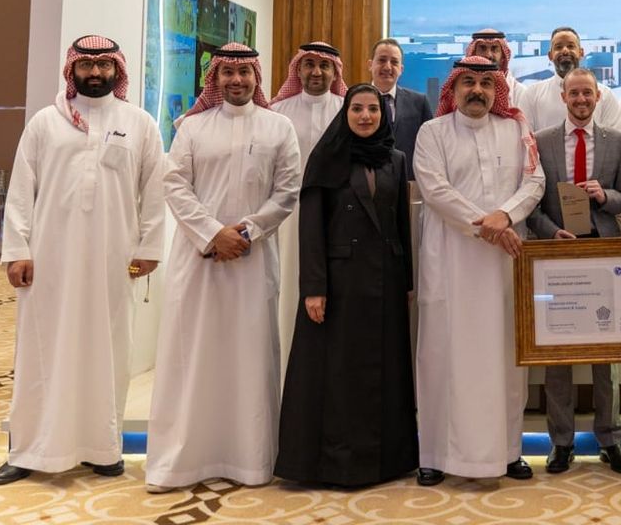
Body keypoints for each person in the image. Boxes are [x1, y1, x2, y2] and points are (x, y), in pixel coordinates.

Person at [0, 35, 165, 486]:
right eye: (87, 65)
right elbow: (21, 189)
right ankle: (29, 449)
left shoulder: (139, 123)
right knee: (41, 351)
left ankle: (102, 448)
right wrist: (17, 250)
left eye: (104, 65)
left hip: (115, 259)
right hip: (48, 260)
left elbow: (155, 191)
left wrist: (149, 248)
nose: (95, 73)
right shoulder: (45, 123)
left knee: (109, 350)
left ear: (117, 70)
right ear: (72, 70)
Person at [145, 44, 302, 493]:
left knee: (250, 359)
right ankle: (180, 463)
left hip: (253, 263)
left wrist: (246, 232)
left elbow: (288, 190)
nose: (237, 81)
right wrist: (214, 233)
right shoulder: (192, 127)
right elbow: (175, 185)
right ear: (214, 79)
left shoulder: (278, 127)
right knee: (191, 356)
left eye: (245, 73)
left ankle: (250, 461)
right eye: (228, 74)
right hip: (199, 262)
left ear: (256, 78)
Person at [412, 56, 546, 486]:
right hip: (450, 262)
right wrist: (489, 227)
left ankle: (508, 451)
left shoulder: (516, 129)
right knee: (444, 354)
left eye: (486, 84)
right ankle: (435, 454)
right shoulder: (432, 132)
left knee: (506, 356)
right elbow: (436, 190)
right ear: (453, 89)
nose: (477, 90)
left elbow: (535, 182)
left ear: (496, 90)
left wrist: (505, 216)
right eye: (468, 82)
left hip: (504, 265)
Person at [275, 84, 418, 486]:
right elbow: (311, 227)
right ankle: (336, 463)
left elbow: (401, 225)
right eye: (357, 109)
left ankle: (384, 462)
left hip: (386, 281)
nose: (366, 116)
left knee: (382, 370)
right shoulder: (326, 157)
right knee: (339, 373)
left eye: (373, 109)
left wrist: (407, 282)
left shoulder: (395, 159)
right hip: (339, 285)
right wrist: (313, 287)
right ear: (346, 114)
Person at [526, 67, 621, 475]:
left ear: (598, 96)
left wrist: (604, 195)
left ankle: (611, 438)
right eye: (574, 93)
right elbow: (531, 202)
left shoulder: (618, 142)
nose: (581, 100)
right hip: (556, 255)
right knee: (558, 352)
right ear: (563, 98)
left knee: (607, 353)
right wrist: (549, 232)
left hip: (601, 254)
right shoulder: (541, 142)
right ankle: (561, 442)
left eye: (587, 93)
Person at [270, 41, 348, 365]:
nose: (316, 72)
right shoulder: (277, 113)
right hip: (288, 218)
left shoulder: (348, 110)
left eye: (324, 65)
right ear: (298, 69)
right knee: (287, 287)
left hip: (339, 219)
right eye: (309, 64)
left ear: (335, 72)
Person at [516, 26, 621, 133]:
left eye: (571, 46)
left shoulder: (605, 95)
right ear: (550, 55)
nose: (565, 51)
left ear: (581, 53)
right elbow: (525, 138)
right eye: (558, 47)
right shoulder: (532, 95)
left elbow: (612, 139)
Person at [370, 38, 433, 180]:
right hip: (367, 183)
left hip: (407, 182)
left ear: (401, 69)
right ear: (370, 64)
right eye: (382, 60)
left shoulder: (419, 102)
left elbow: (430, 147)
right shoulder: (355, 101)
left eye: (394, 62)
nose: (387, 67)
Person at [466, 28, 521, 102]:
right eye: (482, 48)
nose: (488, 55)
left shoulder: (519, 92)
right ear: (473, 54)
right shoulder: (461, 90)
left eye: (494, 48)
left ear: (503, 56)